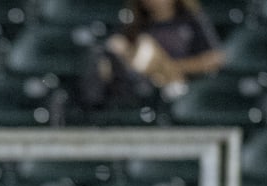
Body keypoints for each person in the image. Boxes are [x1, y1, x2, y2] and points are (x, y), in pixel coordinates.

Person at [83, 0, 222, 107]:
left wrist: (169, 67)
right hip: (143, 85)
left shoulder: (191, 19)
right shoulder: (135, 24)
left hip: (181, 85)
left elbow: (213, 59)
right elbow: (118, 47)